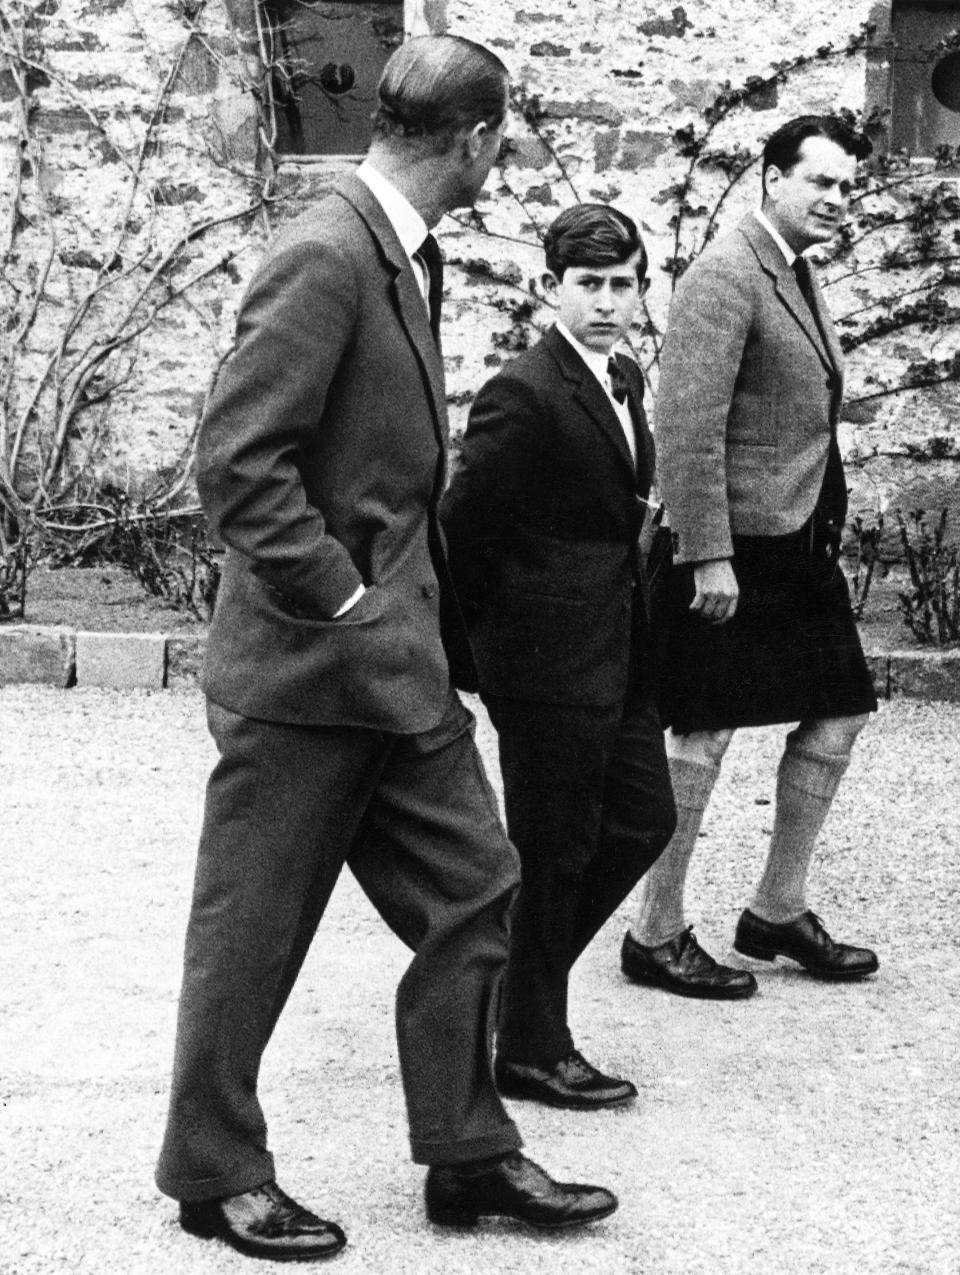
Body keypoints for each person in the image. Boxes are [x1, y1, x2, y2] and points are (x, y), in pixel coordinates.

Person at [155, 36, 618, 1264]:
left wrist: (399, 622)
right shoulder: (322, 254)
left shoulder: (399, 249)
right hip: (309, 675)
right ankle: (214, 1172)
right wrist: (348, 601)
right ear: (473, 140)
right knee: (250, 933)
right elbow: (238, 470)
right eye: (499, 143)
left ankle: (466, 1155)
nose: (497, 159)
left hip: (394, 669)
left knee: (479, 888)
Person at [622, 115, 880, 1001]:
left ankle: (777, 908)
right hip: (735, 552)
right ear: (771, 178)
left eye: (847, 187)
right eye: (821, 182)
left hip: (796, 544)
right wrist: (707, 557)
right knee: (702, 729)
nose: (836, 201)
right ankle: (654, 931)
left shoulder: (795, 270)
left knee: (839, 712)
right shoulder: (726, 272)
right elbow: (687, 427)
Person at [441, 205, 676, 1110]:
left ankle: (507, 991)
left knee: (640, 819)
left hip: (618, 654)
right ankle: (534, 1044)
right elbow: (462, 531)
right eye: (590, 285)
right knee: (553, 850)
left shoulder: (622, 376)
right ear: (552, 289)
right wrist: (489, 654)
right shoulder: (525, 391)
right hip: (546, 667)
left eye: (624, 285)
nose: (610, 302)